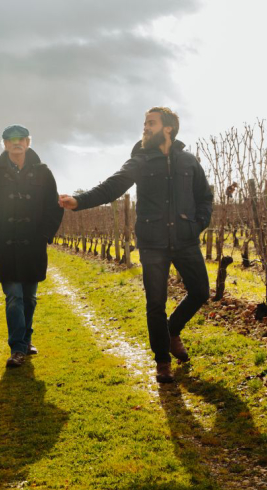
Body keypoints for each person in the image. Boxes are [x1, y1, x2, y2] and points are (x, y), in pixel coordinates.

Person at [59, 107, 213, 383]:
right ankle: (162, 362)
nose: (145, 128)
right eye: (144, 123)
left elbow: (205, 197)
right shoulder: (140, 161)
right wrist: (79, 201)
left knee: (200, 291)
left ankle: (171, 330)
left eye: (150, 123)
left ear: (168, 129)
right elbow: (111, 187)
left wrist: (197, 223)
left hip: (185, 240)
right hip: (153, 243)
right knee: (155, 302)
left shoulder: (189, 161)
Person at [0, 125, 63, 368]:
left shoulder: (44, 173)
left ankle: (26, 339)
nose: (16, 143)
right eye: (11, 139)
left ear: (28, 142)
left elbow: (53, 208)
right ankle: (17, 348)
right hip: (5, 247)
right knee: (13, 296)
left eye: (21, 139)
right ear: (4, 143)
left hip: (33, 247)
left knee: (29, 297)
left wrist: (44, 234)